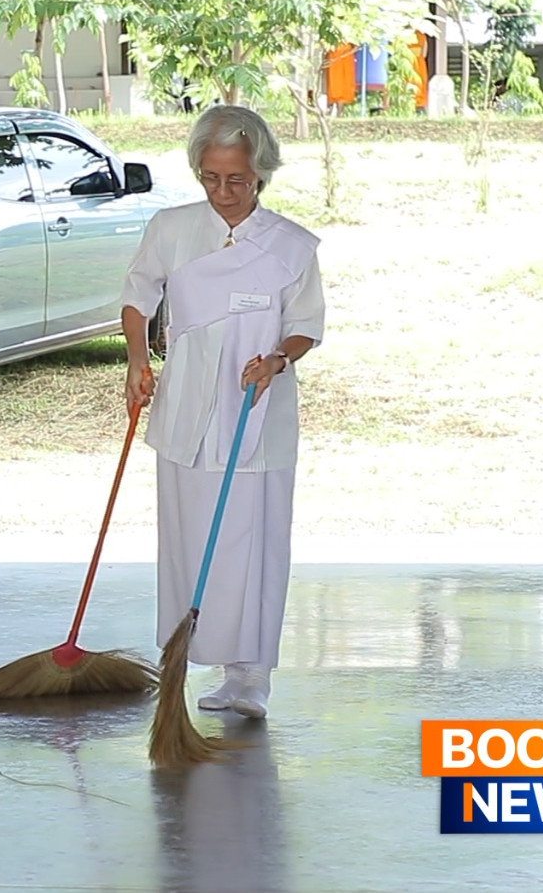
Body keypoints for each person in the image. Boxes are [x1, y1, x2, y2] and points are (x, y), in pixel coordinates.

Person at [120, 105, 325, 719]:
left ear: (261, 173)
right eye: (210, 177)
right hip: (187, 402)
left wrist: (278, 360)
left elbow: (306, 324)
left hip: (257, 405)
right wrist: (137, 361)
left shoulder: (290, 244)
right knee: (189, 534)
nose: (223, 191)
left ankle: (251, 674)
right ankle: (192, 656)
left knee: (256, 538)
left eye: (237, 179)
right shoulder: (171, 228)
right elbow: (137, 295)